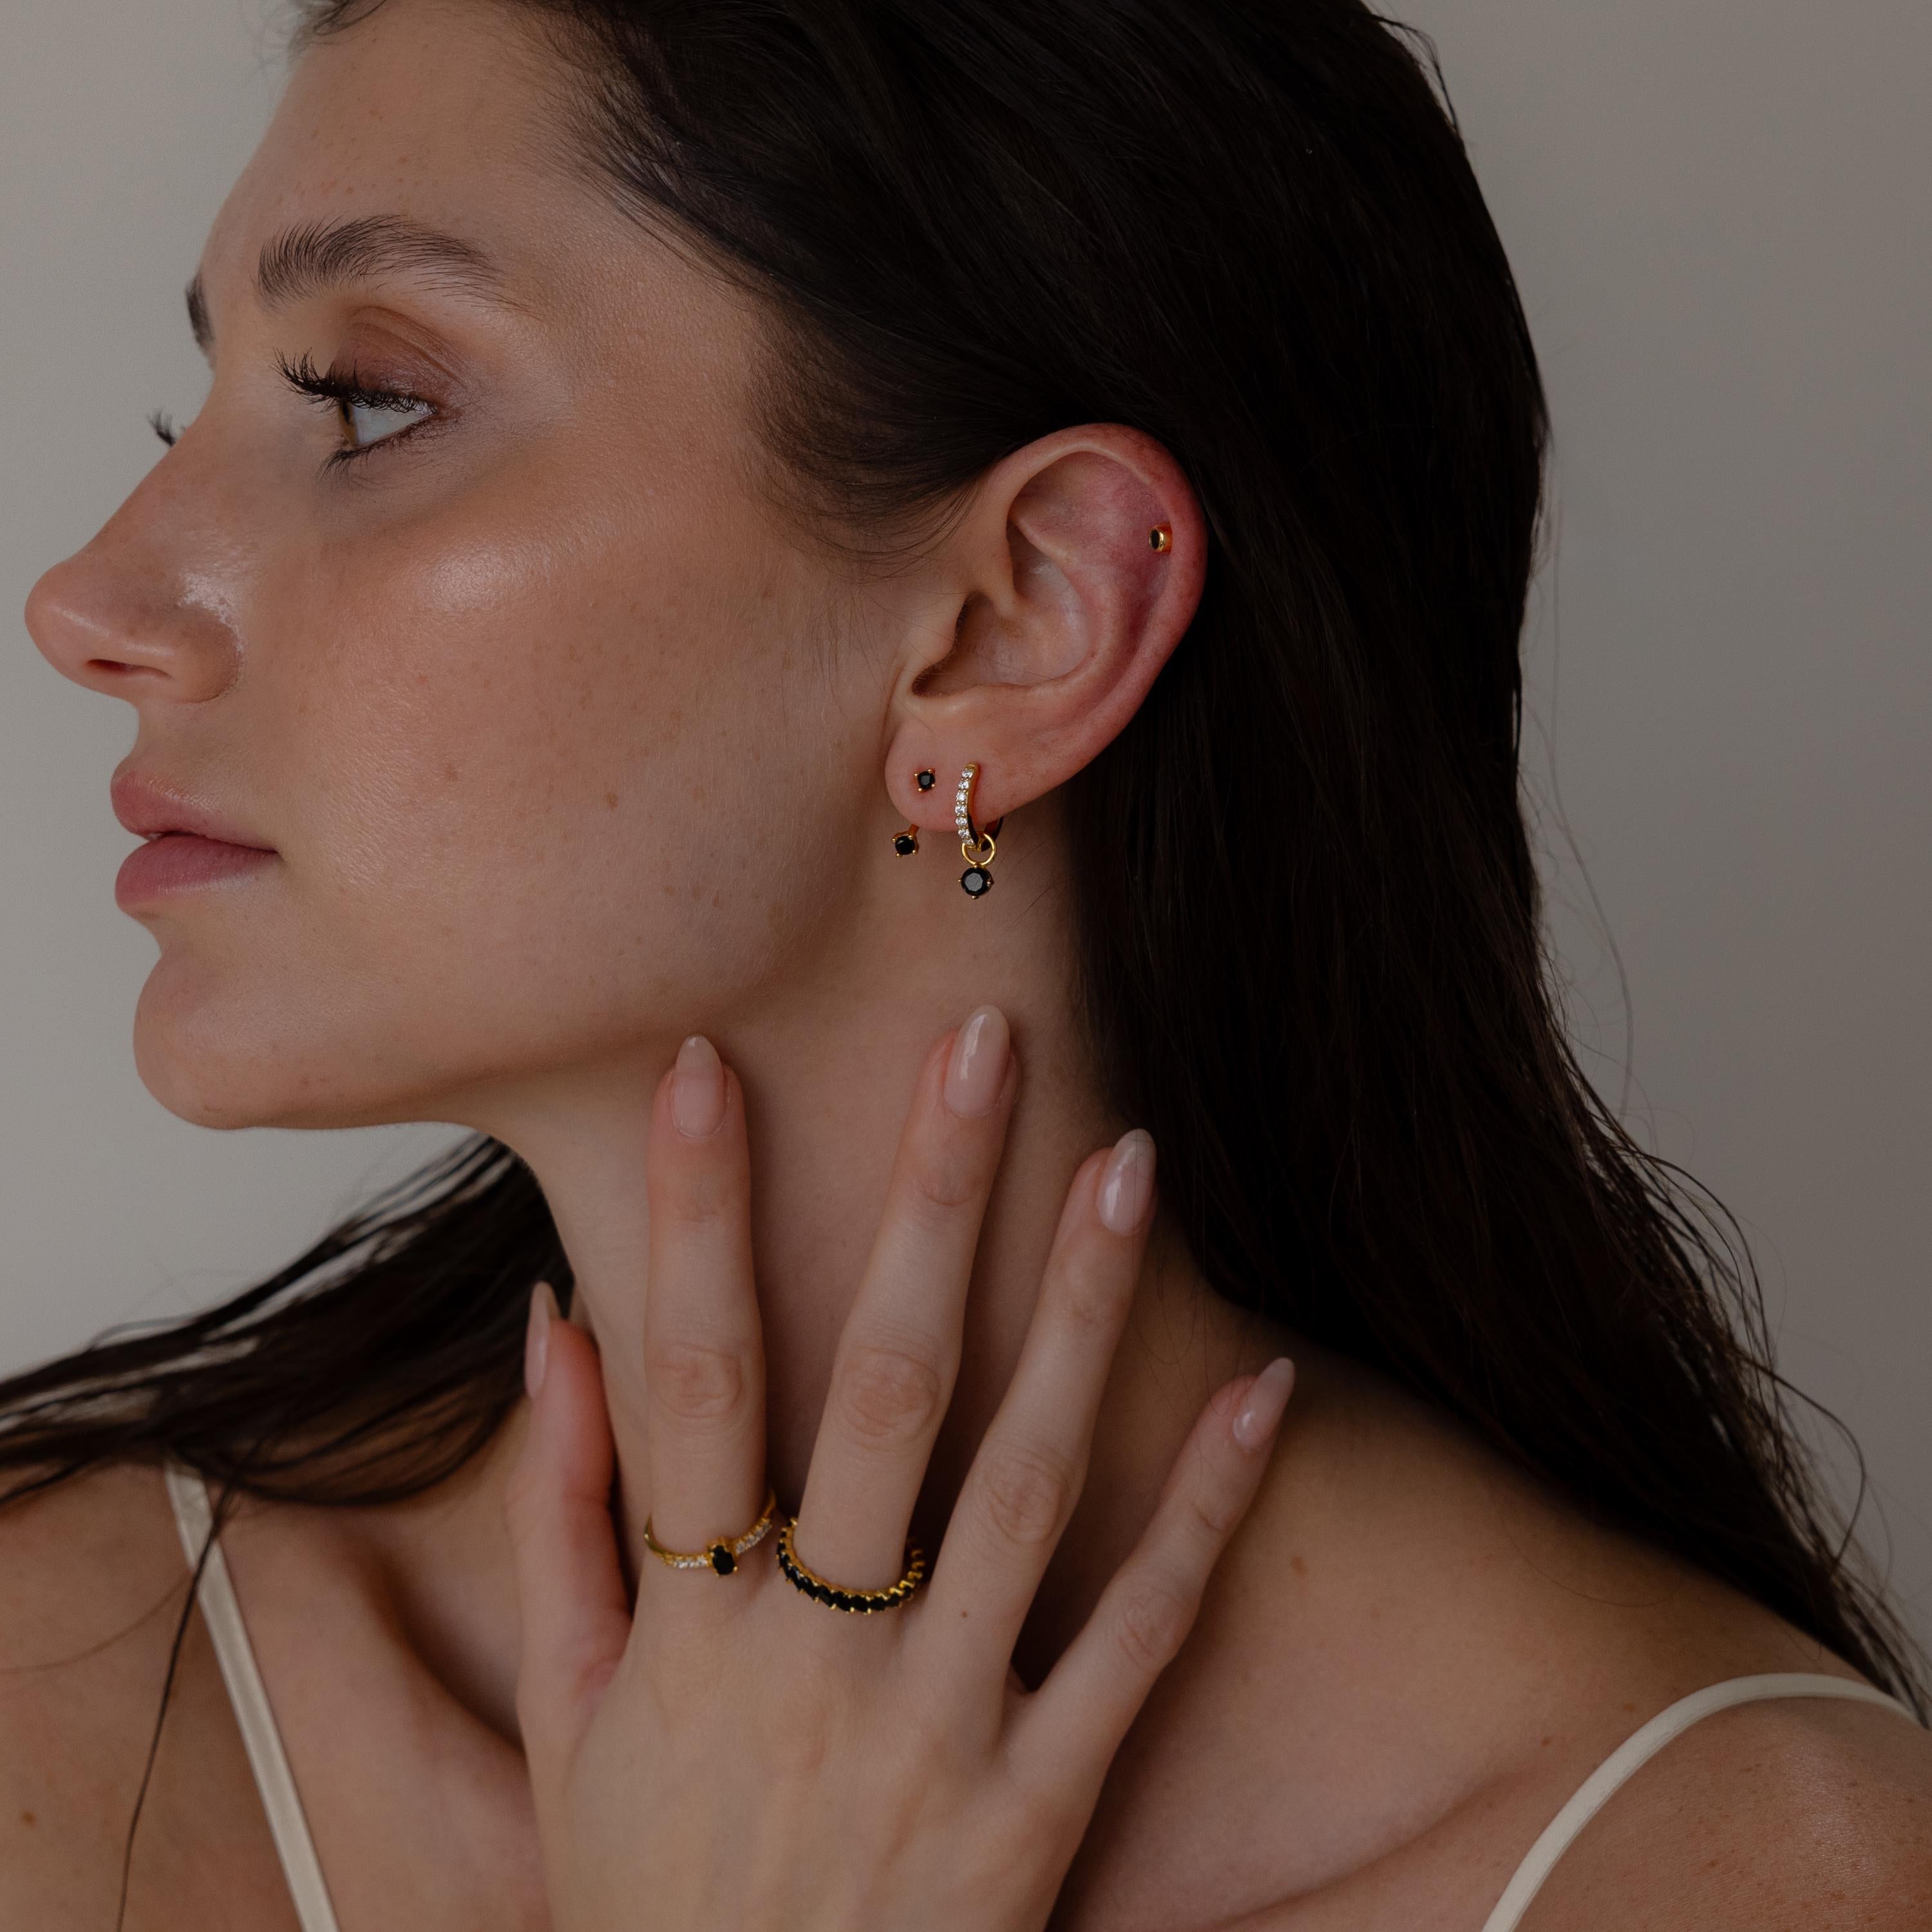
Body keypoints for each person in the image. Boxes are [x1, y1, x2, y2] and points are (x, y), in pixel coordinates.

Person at [6, 0, 1929, 1926]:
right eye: (202, 413)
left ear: (1022, 621)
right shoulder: (55, 1679)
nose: (86, 602)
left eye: (362, 401)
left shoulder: (1750, 1872)